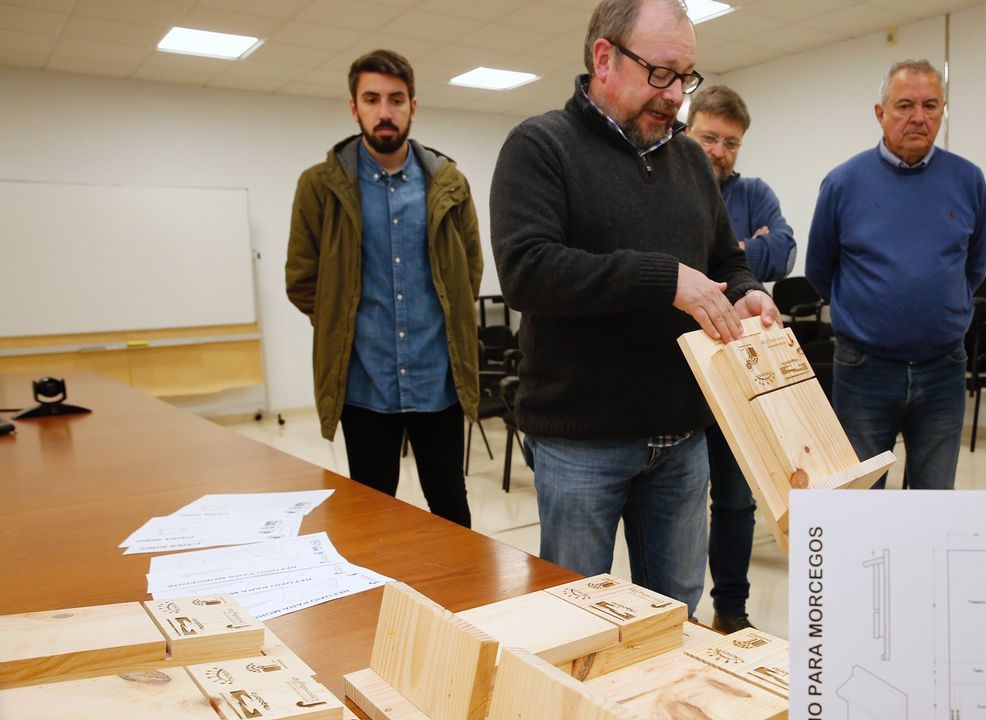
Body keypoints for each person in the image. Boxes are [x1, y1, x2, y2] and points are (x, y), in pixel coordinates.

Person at [489, 0, 778, 616]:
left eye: (686, 76)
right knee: (574, 618)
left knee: (675, 613)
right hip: (580, 444)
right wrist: (662, 277)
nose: (676, 95)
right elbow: (528, 272)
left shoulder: (691, 162)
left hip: (681, 439)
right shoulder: (540, 146)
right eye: (661, 73)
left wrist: (746, 285)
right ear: (604, 58)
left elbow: (725, 257)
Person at [285, 49, 482, 527]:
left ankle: (458, 600)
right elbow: (302, 280)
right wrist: (342, 321)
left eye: (396, 99)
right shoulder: (320, 185)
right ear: (354, 108)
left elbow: (469, 270)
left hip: (438, 380)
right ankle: (378, 603)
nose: (385, 111)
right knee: (371, 518)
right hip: (364, 384)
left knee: (451, 510)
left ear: (413, 106)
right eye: (372, 99)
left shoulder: (448, 183)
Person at [805, 58, 986, 490]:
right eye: (905, 105)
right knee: (862, 500)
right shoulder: (843, 183)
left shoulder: (968, 180)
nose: (918, 117)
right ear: (880, 112)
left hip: (944, 367)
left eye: (930, 105)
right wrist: (870, 315)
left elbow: (973, 267)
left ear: (943, 111)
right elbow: (819, 270)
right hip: (864, 369)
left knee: (933, 498)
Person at [686, 84, 794, 633]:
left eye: (731, 143)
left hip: (737, 371)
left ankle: (732, 612)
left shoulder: (753, 190)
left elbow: (786, 249)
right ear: (687, 129)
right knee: (679, 505)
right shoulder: (674, 182)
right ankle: (674, 617)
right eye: (709, 137)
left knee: (734, 501)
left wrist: (730, 254)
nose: (720, 152)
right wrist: (744, 250)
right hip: (681, 372)